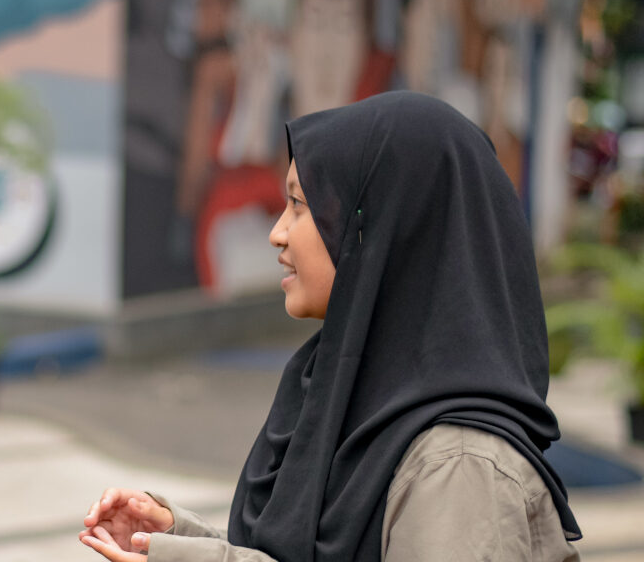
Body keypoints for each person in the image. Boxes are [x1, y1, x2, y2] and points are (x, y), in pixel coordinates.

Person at [79, 91, 583, 561]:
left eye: (300, 205)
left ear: (382, 230)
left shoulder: (459, 466)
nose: (277, 232)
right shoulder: (346, 395)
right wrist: (173, 538)